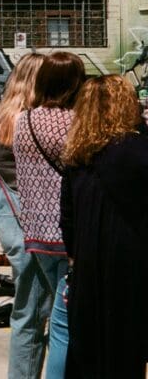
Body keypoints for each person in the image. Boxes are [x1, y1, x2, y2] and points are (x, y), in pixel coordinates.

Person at [60, 76, 148, 379]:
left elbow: (67, 218)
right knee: (126, 344)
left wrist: (75, 257)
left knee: (87, 345)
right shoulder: (140, 148)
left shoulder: (77, 155)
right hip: (133, 257)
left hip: (88, 261)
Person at [11, 51, 84, 378]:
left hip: (36, 235)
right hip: (67, 236)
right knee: (63, 325)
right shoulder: (73, 122)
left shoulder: (22, 121)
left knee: (44, 313)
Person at [0, 52, 49, 379]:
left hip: (15, 228)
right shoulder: (24, 123)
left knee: (29, 314)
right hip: (32, 232)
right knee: (32, 315)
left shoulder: (4, 116)